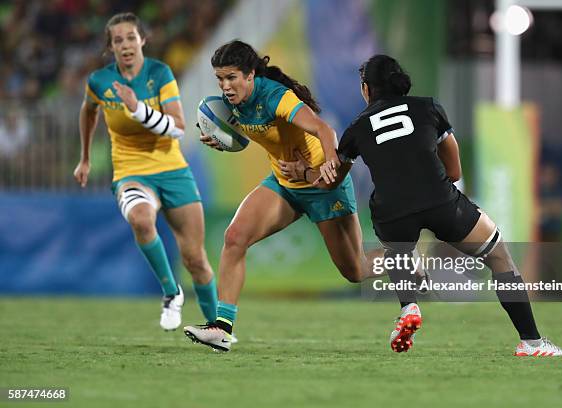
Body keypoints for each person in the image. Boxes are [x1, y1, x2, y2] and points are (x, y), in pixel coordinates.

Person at [312, 54, 562, 357]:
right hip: (438, 198)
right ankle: (532, 343)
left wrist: (311, 174)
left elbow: (332, 180)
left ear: (367, 89)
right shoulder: (428, 107)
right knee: (500, 257)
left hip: (391, 209)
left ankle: (409, 306)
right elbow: (455, 171)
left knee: (399, 251)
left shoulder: (355, 130)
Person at [183, 40, 383, 352]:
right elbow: (250, 136)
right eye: (220, 78)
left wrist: (330, 166)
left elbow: (324, 129)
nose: (225, 86)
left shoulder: (275, 96)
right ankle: (222, 328)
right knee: (235, 237)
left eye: (232, 77)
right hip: (284, 182)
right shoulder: (231, 103)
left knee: (355, 270)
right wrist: (224, 141)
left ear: (250, 75)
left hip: (322, 185)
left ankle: (404, 258)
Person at [73, 12, 219, 332]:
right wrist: (85, 158)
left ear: (143, 40)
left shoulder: (160, 73)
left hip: (173, 170)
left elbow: (178, 129)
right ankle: (171, 292)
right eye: (117, 40)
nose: (125, 45)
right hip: (131, 171)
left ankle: (217, 329)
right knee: (140, 218)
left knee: (195, 260)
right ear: (110, 47)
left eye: (130, 38)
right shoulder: (100, 81)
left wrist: (138, 109)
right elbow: (88, 112)